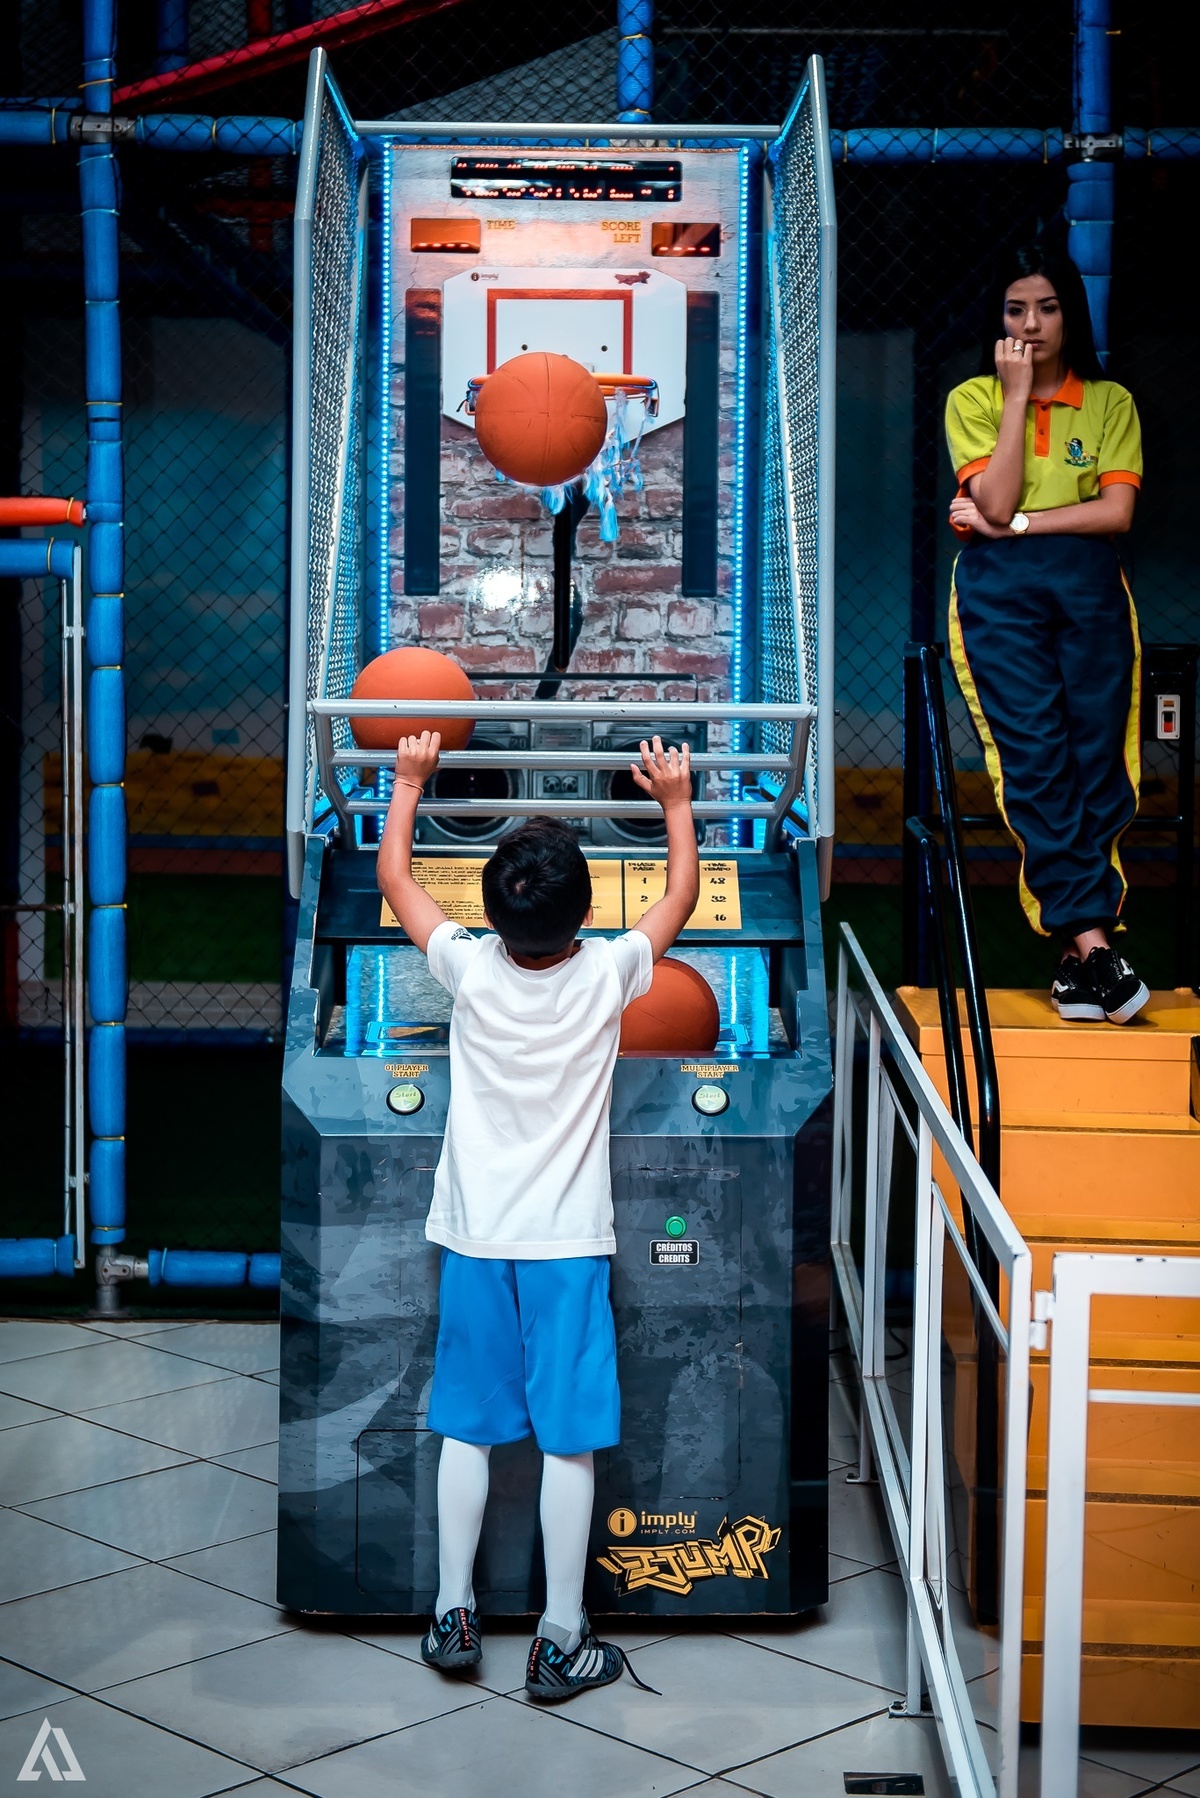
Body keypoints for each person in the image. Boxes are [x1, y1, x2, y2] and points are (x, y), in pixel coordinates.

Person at [376, 731, 700, 1699]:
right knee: (568, 1439)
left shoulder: (471, 969)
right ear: (588, 912)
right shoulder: (608, 974)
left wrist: (407, 783)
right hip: (567, 1247)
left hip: (477, 1239)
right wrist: (676, 803)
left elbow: (395, 875)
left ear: (490, 911)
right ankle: (561, 1639)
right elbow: (677, 900)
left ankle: (451, 1614)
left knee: (468, 1428)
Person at [945, 244, 1148, 1024]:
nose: (1031, 325)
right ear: (994, 320)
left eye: (1048, 307)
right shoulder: (973, 398)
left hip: (1093, 591)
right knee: (1033, 758)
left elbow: (1115, 514)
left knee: (1099, 762)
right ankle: (1096, 945)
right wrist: (1018, 396)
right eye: (1015, 309)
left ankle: (1075, 966)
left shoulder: (1111, 402)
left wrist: (1019, 524)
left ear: (1072, 313)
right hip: (999, 598)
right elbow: (988, 503)